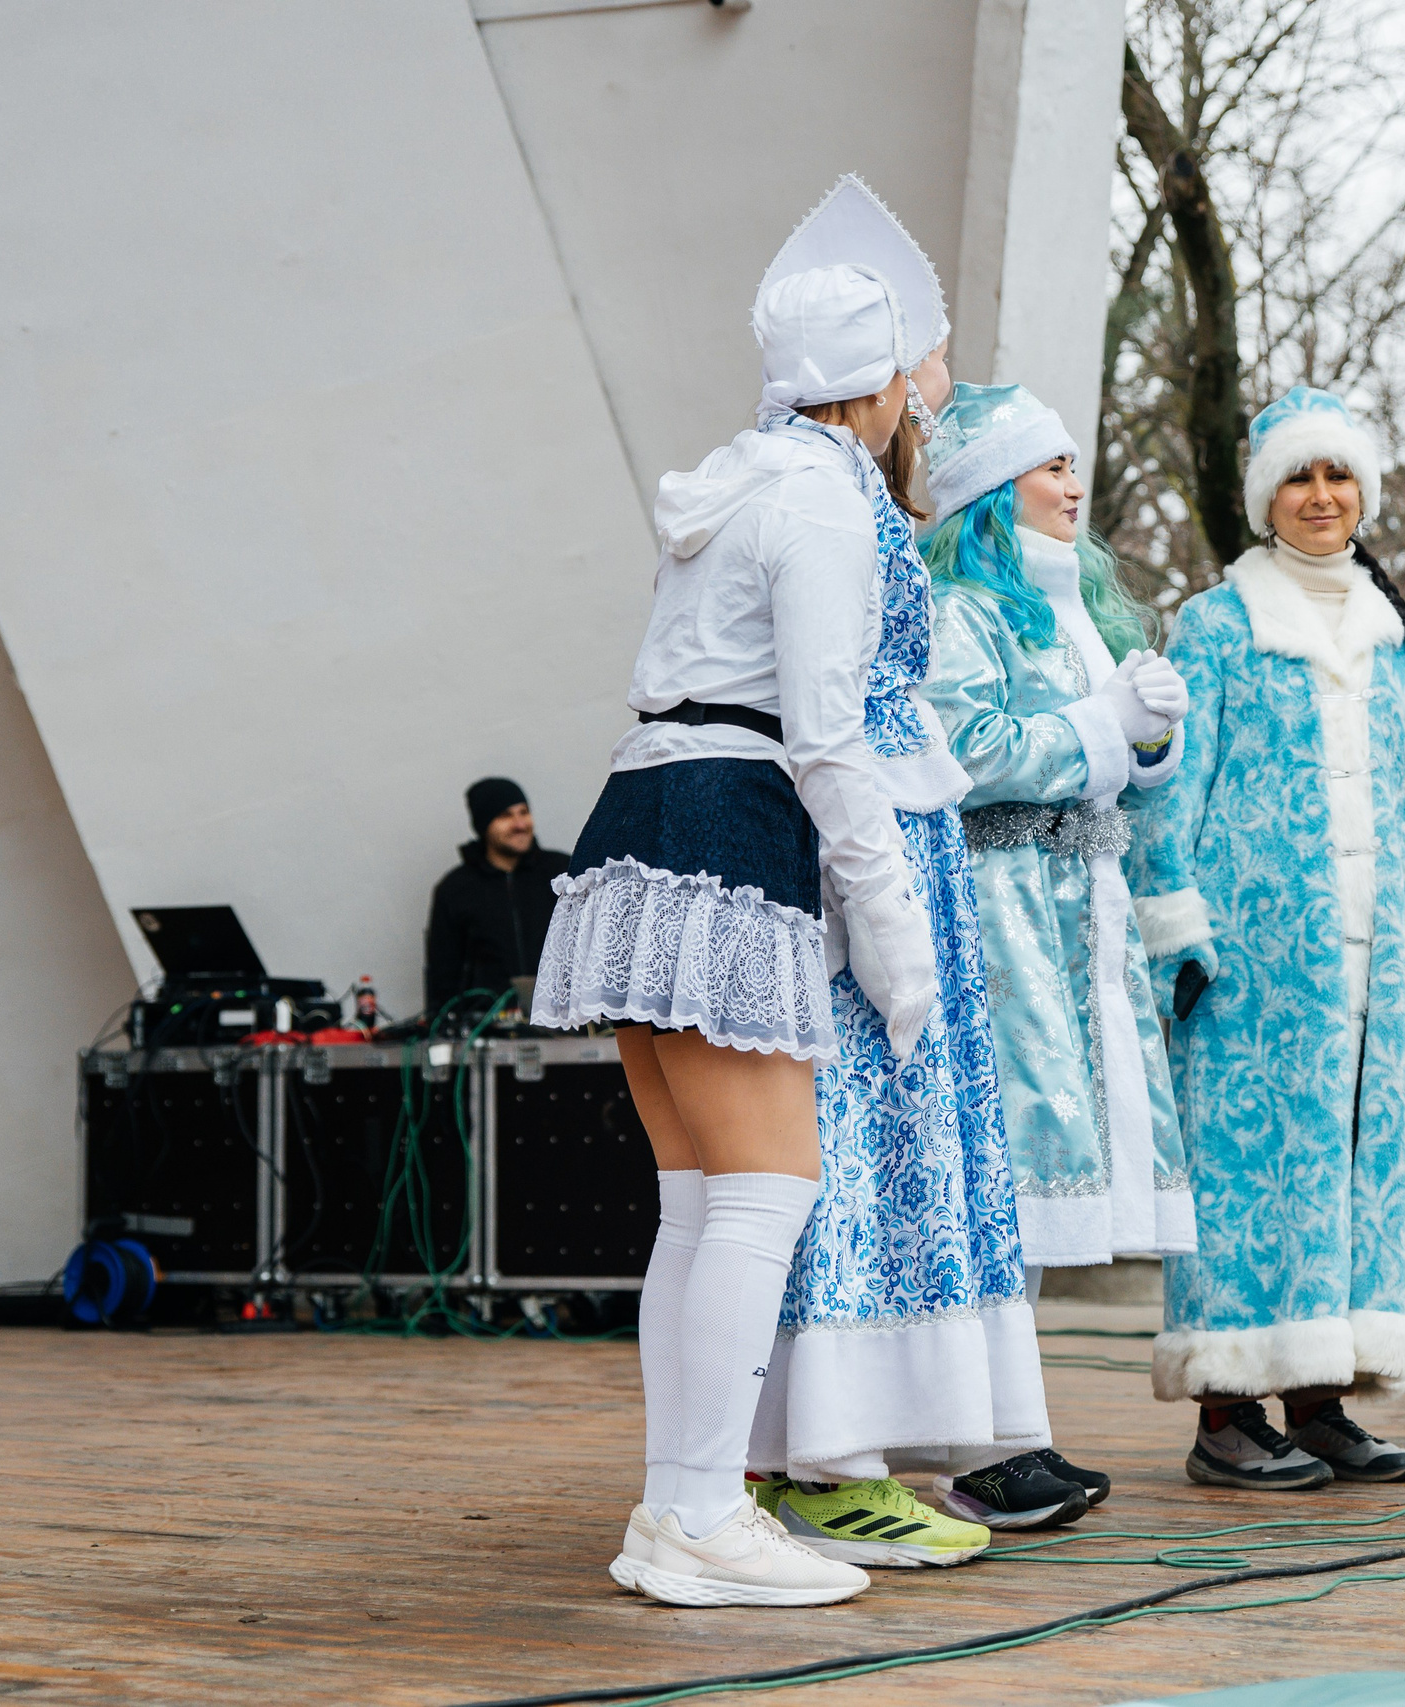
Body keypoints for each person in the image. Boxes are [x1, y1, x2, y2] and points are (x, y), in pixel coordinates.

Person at [531, 233, 953, 1605]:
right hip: (729, 814)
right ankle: (701, 1510)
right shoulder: (826, 504)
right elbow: (828, 736)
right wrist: (898, 948)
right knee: (762, 1192)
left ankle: (679, 1510)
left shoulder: (733, 484)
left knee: (703, 1202)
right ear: (873, 380)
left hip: (641, 807)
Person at [738, 179, 1072, 1565]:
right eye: (906, 374)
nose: (922, 399)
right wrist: (885, 923)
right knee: (861, 1150)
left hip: (901, 843)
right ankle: (824, 1456)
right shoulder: (824, 501)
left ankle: (848, 1449)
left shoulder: (849, 498)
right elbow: (829, 722)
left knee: (911, 1149)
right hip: (865, 855)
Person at [1132, 386, 1405, 1491]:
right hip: (1248, 966)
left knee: (1358, 1171)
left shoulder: (1402, 635)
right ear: (1264, 497)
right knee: (1245, 1174)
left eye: (1338, 475)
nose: (1321, 496)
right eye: (1299, 476)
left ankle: (1323, 1395)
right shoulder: (1215, 623)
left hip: (1373, 965)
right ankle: (1227, 1409)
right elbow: (1166, 792)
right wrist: (1175, 925)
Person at [915, 380, 1196, 1525]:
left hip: (1076, 906)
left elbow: (1109, 758)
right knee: (1004, 1172)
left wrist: (1154, 737)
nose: (1073, 484)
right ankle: (979, 1445)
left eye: (1077, 464)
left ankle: (1010, 1435)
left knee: (1030, 1184)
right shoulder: (961, 607)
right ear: (990, 488)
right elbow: (967, 751)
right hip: (1001, 907)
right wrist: (1102, 727)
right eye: (1049, 466)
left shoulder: (1075, 602)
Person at [424, 778, 574, 1014]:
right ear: (483, 826)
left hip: (567, 1024)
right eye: (505, 816)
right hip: (488, 1030)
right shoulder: (455, 889)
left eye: (524, 812)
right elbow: (442, 974)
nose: (520, 824)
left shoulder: (563, 872)